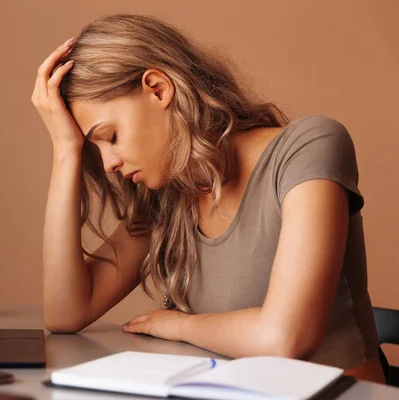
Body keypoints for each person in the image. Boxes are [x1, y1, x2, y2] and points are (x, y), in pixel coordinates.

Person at [31, 14, 385, 383]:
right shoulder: (168, 195)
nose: (108, 164)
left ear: (158, 89)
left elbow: (286, 338)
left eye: (111, 136)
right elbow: (66, 313)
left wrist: (183, 326)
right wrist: (65, 150)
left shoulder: (308, 147)